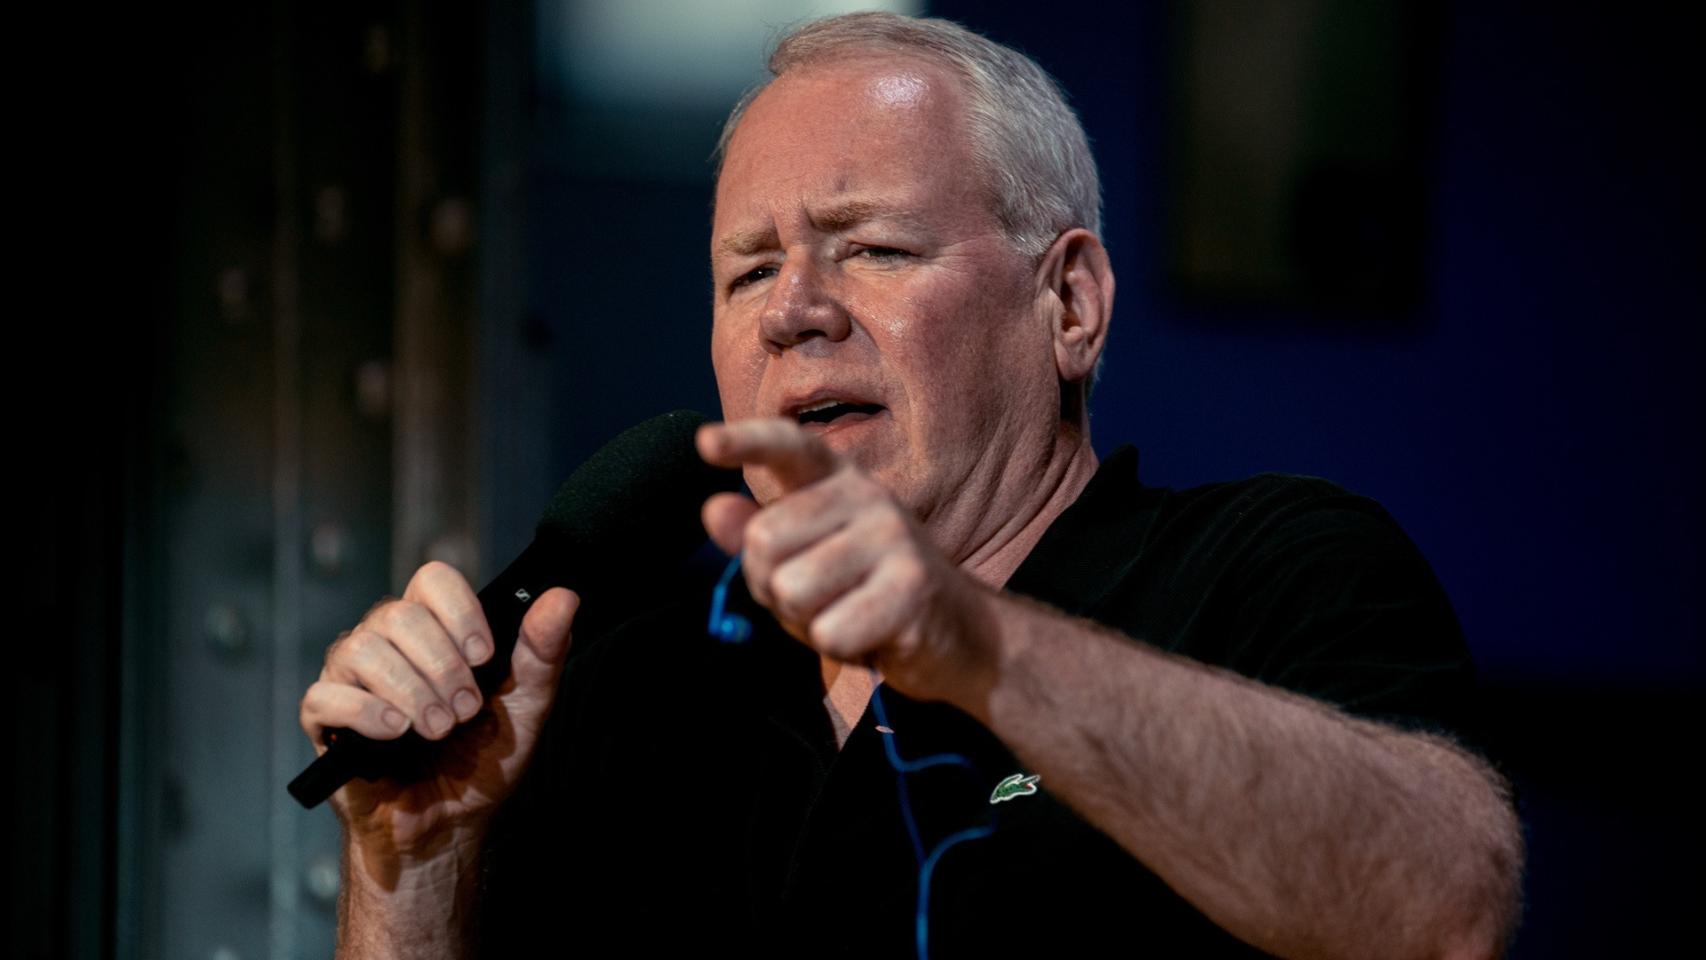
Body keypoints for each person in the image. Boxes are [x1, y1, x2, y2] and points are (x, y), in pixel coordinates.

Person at [299, 12, 1523, 959]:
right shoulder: (629, 685)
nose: (793, 313)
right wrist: (414, 868)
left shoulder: (1268, 569)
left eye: (873, 248)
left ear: (1069, 305)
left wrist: (971, 640)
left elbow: (1441, 911)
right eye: (746, 274)